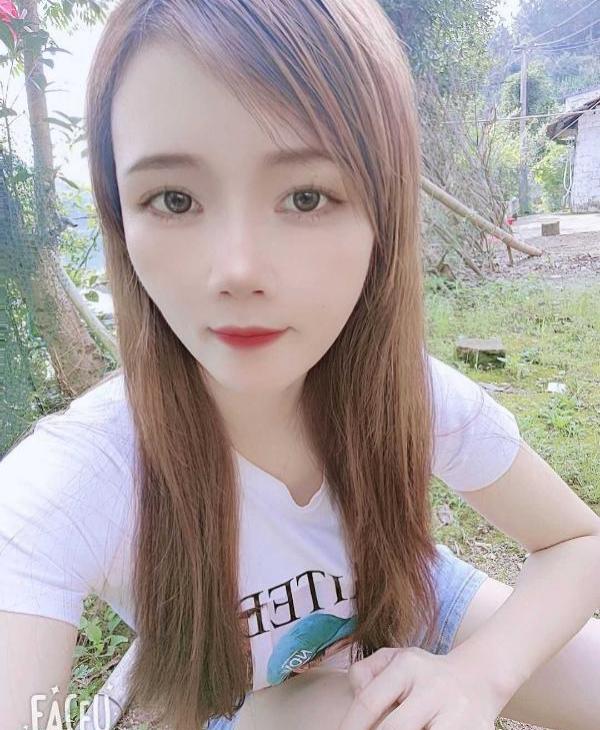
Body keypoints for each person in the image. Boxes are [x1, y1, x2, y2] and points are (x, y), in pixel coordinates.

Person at [2, 1, 600, 729]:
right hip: (231, 696)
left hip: (411, 603)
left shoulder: (404, 393)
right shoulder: (77, 478)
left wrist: (479, 674)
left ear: (382, 212)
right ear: (119, 214)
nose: (239, 270)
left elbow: (577, 542)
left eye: (305, 196)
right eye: (175, 199)